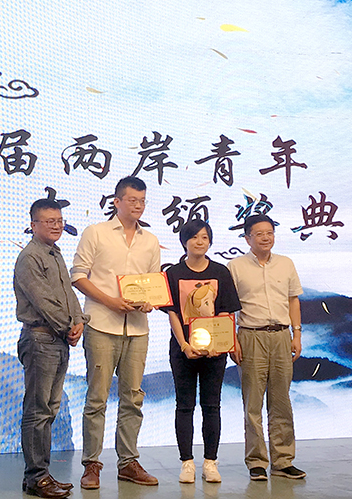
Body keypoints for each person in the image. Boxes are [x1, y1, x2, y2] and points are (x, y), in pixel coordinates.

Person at [70, 176, 160, 489]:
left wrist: (148, 302)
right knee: (97, 398)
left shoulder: (150, 240)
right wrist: (110, 301)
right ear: (117, 201)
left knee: (133, 398)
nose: (138, 206)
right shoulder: (95, 232)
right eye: (132, 200)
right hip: (101, 324)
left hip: (137, 329)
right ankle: (91, 465)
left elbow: (153, 283)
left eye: (142, 201)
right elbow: (78, 276)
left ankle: (128, 463)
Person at [14, 199, 89, 498]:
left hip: (57, 340)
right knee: (37, 411)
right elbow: (42, 300)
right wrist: (68, 325)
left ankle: (40, 475)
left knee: (48, 410)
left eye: (59, 220)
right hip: (40, 340)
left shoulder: (54, 253)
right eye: (49, 221)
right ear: (33, 225)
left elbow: (68, 293)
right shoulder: (30, 257)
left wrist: (79, 320)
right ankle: (36, 477)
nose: (56, 226)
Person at [227, 214, 306, 481]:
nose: (265, 237)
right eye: (259, 233)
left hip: (282, 335)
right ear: (247, 238)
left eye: (269, 232)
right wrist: (232, 340)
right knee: (253, 402)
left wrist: (297, 334)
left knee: (281, 400)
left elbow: (293, 300)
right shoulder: (235, 267)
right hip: (251, 336)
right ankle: (256, 461)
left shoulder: (286, 264)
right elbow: (227, 308)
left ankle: (283, 461)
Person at [162, 220, 241, 484]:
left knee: (212, 405)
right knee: (184, 405)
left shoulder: (220, 272)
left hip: (215, 352)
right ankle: (187, 463)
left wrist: (221, 343)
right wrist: (184, 345)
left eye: (205, 237)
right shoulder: (173, 273)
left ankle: (210, 462)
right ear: (184, 241)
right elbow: (172, 313)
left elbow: (226, 311)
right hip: (183, 350)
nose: (199, 241)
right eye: (194, 237)